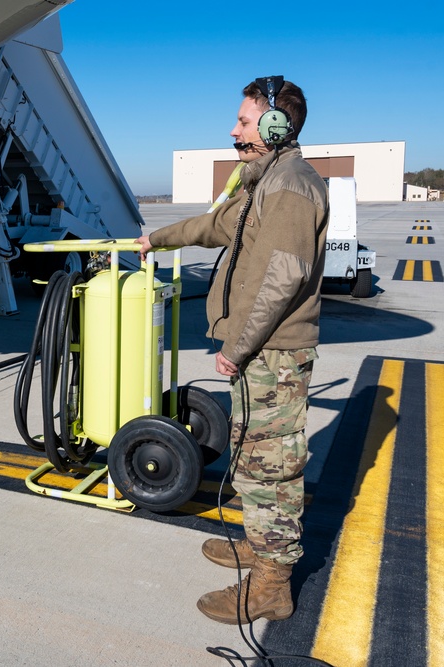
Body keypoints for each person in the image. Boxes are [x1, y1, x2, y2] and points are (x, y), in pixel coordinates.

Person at [136, 77, 328, 624]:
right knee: (251, 455)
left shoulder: (290, 186)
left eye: (244, 122)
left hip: (272, 351)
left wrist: (238, 349)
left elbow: (281, 277)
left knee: (272, 467)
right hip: (258, 351)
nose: (233, 129)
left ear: (274, 127)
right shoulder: (263, 183)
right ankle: (260, 543)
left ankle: (272, 583)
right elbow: (215, 226)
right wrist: (158, 237)